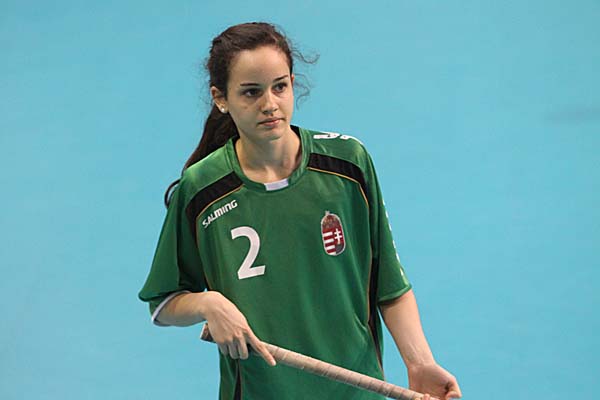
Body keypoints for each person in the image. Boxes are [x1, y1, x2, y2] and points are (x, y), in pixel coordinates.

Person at [138, 22, 461, 400]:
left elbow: (389, 285)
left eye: (279, 87)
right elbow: (164, 302)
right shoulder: (203, 189)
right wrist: (208, 303)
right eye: (251, 92)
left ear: (293, 84)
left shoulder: (348, 164)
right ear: (220, 98)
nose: (269, 104)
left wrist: (419, 363)